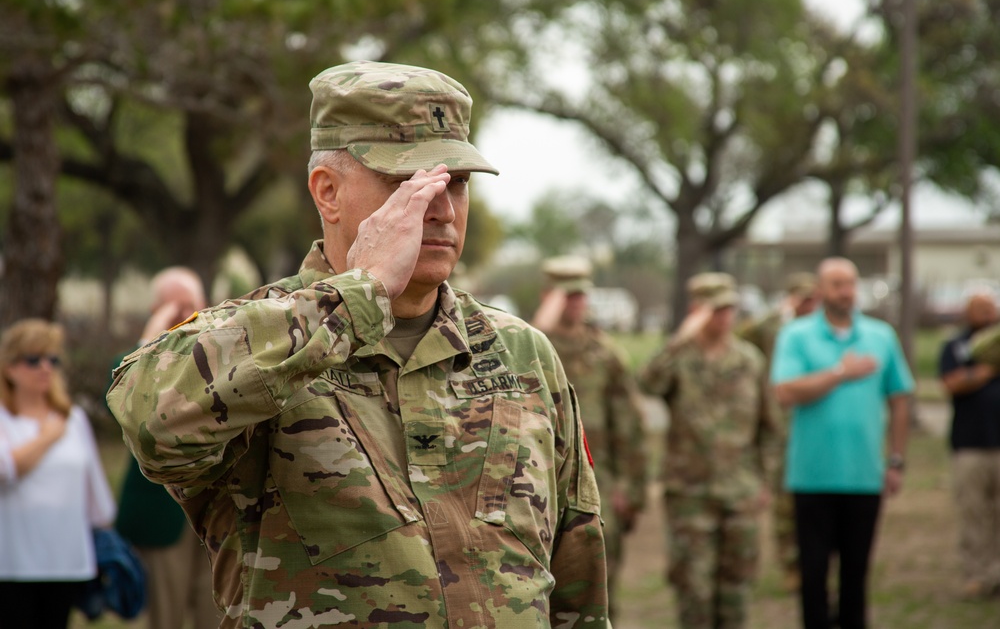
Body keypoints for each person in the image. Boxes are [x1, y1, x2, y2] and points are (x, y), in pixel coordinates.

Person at [108, 60, 608, 628]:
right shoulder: (261, 337)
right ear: (329, 193)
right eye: (409, 184)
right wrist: (356, 297)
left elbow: (576, 569)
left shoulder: (521, 353)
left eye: (457, 183)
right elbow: (147, 417)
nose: (441, 208)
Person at [771, 257, 914, 629]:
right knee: (813, 573)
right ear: (820, 291)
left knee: (856, 573)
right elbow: (785, 391)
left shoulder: (880, 336)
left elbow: (900, 398)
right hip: (812, 475)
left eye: (850, 283)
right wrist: (840, 373)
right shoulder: (797, 335)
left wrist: (895, 459)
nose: (846, 291)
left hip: (864, 475)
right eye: (837, 284)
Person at [640, 272, 781, 629]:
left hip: (740, 492)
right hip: (690, 495)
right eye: (717, 309)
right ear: (698, 311)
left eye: (730, 308)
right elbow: (647, 382)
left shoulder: (750, 361)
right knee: (694, 592)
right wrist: (681, 338)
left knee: (736, 591)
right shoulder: (679, 359)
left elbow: (769, 427)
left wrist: (765, 481)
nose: (725, 316)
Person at [531, 255, 647, 618]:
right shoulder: (528, 345)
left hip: (596, 483)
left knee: (597, 592)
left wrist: (632, 487)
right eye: (568, 295)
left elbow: (629, 425)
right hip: (536, 484)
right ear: (549, 296)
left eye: (582, 295)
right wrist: (541, 326)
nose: (577, 303)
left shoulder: (604, 352)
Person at [112, 267, 222, 629]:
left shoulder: (220, 351)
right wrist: (153, 336)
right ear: (155, 310)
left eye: (189, 305)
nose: (181, 315)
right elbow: (117, 399)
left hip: (219, 515)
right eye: (171, 306)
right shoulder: (136, 360)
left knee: (218, 616)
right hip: (163, 517)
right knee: (165, 617)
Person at [0, 318, 117, 629]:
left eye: (52, 359)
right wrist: (49, 436)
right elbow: (5, 468)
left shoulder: (74, 418)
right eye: (33, 359)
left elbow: (95, 493)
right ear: (10, 367)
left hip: (65, 559)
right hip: (13, 561)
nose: (45, 368)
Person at [737, 271, 819, 592]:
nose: (807, 304)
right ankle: (791, 563)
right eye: (802, 298)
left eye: (812, 298)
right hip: (780, 421)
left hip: (813, 419)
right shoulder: (774, 327)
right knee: (785, 499)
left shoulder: (822, 329)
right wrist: (780, 312)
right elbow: (742, 336)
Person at [938, 291, 1000, 599]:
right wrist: (986, 370)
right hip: (970, 443)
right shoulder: (956, 345)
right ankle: (978, 574)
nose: (986, 313)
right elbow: (951, 383)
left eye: (990, 307)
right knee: (974, 511)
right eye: (979, 308)